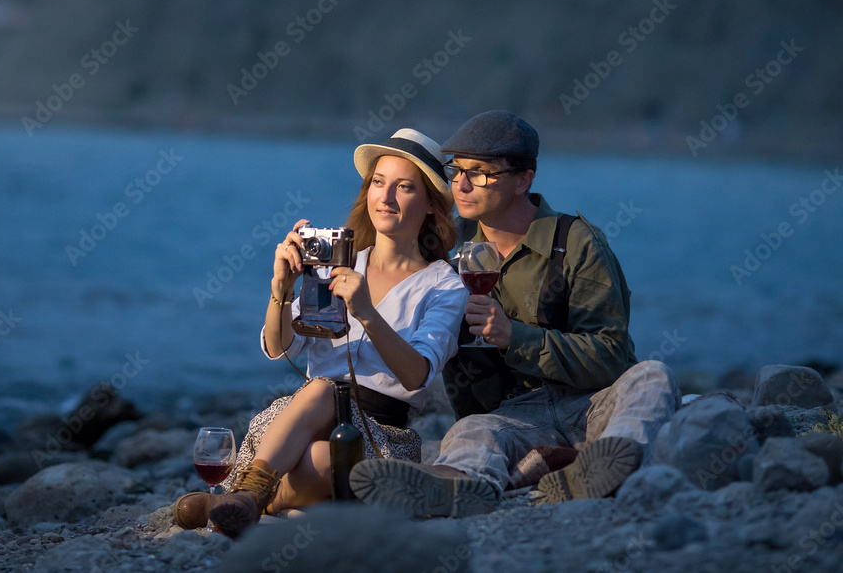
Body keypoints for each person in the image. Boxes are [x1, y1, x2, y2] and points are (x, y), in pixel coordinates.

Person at [349, 110, 681, 516]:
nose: (462, 185)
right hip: (515, 416)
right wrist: (318, 278)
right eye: (457, 172)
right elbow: (390, 255)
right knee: (470, 431)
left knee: (652, 376)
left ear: (524, 179)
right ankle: (461, 487)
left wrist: (515, 336)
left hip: (590, 403)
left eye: (482, 173)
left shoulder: (577, 242)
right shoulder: (447, 249)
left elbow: (611, 356)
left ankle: (611, 462)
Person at [173, 128, 468, 536]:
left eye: (404, 188)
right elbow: (279, 348)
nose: (385, 198)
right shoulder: (334, 265)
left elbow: (417, 374)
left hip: (381, 432)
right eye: (378, 184)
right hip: (301, 417)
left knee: (327, 456)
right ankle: (248, 496)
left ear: (432, 205)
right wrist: (280, 291)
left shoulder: (444, 285)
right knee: (321, 391)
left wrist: (366, 312)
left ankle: (233, 500)